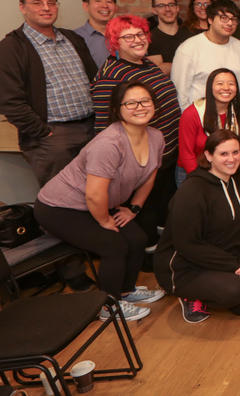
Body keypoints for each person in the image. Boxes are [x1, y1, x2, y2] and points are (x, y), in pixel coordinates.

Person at [36, 81, 166, 322]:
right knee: (114, 245)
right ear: (117, 109)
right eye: (131, 103)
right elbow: (94, 194)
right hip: (60, 207)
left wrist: (134, 209)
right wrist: (105, 221)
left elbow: (149, 177)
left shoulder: (156, 137)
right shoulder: (109, 143)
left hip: (98, 203)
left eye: (145, 101)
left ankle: (126, 292)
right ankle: (109, 306)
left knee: (137, 238)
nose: (140, 107)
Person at [153, 129, 240, 323]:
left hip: (223, 258)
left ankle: (215, 286)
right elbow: (187, 245)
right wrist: (233, 265)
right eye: (224, 154)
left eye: (235, 152)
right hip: (185, 266)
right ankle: (187, 294)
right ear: (209, 156)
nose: (231, 159)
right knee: (234, 291)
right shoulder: (192, 191)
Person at [0, 0, 98, 185]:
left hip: (92, 129)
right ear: (22, 7)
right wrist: (42, 132)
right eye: (37, 3)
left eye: (51, 3)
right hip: (53, 139)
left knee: (100, 192)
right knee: (62, 196)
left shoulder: (73, 38)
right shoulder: (11, 47)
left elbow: (94, 80)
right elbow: (8, 100)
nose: (46, 8)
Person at [92, 16, 181, 233]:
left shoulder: (146, 63)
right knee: (146, 216)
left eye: (140, 34)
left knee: (165, 211)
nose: (137, 40)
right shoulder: (112, 75)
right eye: (128, 37)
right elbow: (105, 125)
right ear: (115, 42)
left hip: (166, 154)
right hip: (142, 161)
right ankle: (148, 249)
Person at [171, 0, 240, 110]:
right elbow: (180, 93)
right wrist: (189, 117)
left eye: (234, 19)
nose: (230, 23)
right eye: (223, 18)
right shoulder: (189, 48)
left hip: (233, 115)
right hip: (200, 115)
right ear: (210, 19)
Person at [177, 68, 240, 183]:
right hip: (194, 172)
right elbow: (186, 154)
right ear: (210, 88)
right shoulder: (192, 113)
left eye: (231, 84)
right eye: (220, 83)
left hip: (226, 170)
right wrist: (204, 181)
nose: (226, 87)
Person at [147, 0, 191, 75]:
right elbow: (158, 71)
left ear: (177, 8)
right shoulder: (150, 38)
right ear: (154, 10)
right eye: (161, 6)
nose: (167, 9)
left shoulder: (190, 34)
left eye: (171, 5)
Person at [76, 0, 118, 69]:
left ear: (115, 7)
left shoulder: (127, 33)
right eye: (98, 1)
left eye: (109, 1)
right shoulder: (75, 38)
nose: (105, 5)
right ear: (86, 6)